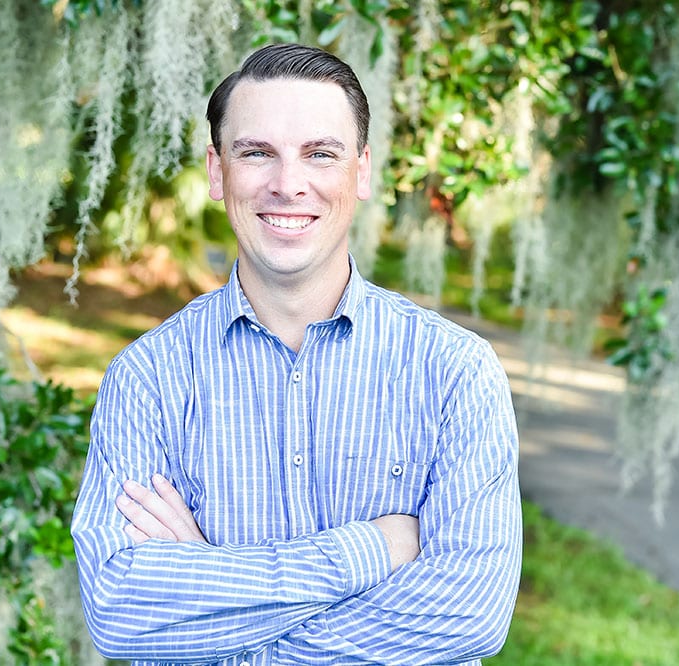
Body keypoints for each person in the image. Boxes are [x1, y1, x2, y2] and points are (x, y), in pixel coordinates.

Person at [71, 43, 522, 666]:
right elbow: (122, 612)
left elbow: (469, 614)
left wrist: (211, 584)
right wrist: (370, 549)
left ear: (360, 172)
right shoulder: (147, 379)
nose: (288, 184)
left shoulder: (454, 373)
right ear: (216, 171)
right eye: (256, 153)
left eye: (320, 154)